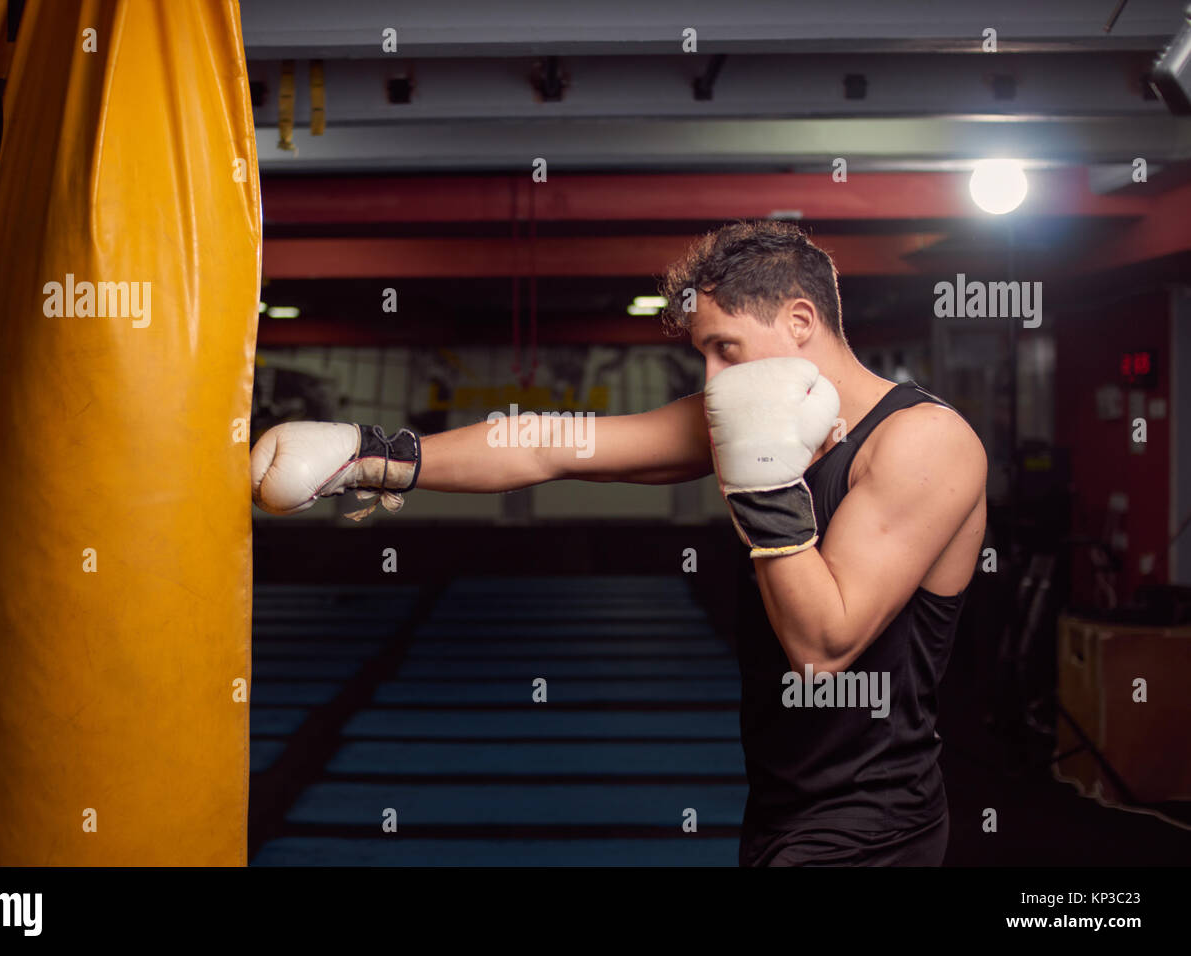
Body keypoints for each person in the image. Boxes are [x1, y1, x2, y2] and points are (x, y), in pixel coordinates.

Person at [250, 220, 987, 867]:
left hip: (876, 824)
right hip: (781, 804)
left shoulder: (924, 442)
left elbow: (823, 648)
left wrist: (763, 489)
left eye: (725, 348)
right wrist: (371, 455)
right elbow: (550, 446)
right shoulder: (752, 413)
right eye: (704, 353)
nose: (713, 377)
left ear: (800, 320)